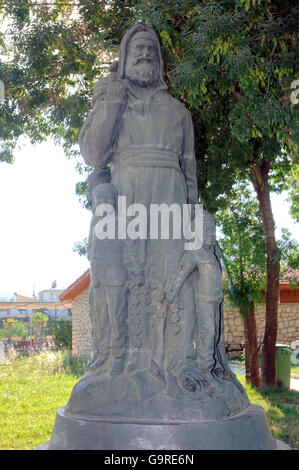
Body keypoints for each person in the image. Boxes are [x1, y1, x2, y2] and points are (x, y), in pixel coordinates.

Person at [79, 22, 198, 383]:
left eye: (151, 50)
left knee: (171, 281)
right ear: (123, 60)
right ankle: (121, 361)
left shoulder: (178, 112)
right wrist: (111, 101)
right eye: (137, 50)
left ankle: (176, 365)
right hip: (126, 200)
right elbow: (94, 154)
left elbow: (189, 168)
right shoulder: (110, 102)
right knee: (124, 281)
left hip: (170, 200)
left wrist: (192, 219)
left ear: (160, 61)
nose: (145, 54)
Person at [164, 210, 241, 391]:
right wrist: (172, 292)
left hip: (216, 300)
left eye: (213, 232)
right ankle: (205, 369)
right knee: (207, 333)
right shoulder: (194, 253)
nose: (211, 236)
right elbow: (182, 274)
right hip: (204, 302)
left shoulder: (213, 254)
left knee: (214, 334)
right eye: (207, 232)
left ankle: (213, 367)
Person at [87, 181, 128, 376]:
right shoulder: (94, 223)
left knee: (116, 318)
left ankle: (118, 357)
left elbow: (129, 250)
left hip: (115, 278)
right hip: (98, 277)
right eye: (99, 200)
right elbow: (91, 251)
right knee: (99, 317)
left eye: (107, 200)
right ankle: (101, 354)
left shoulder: (120, 223)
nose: (103, 203)